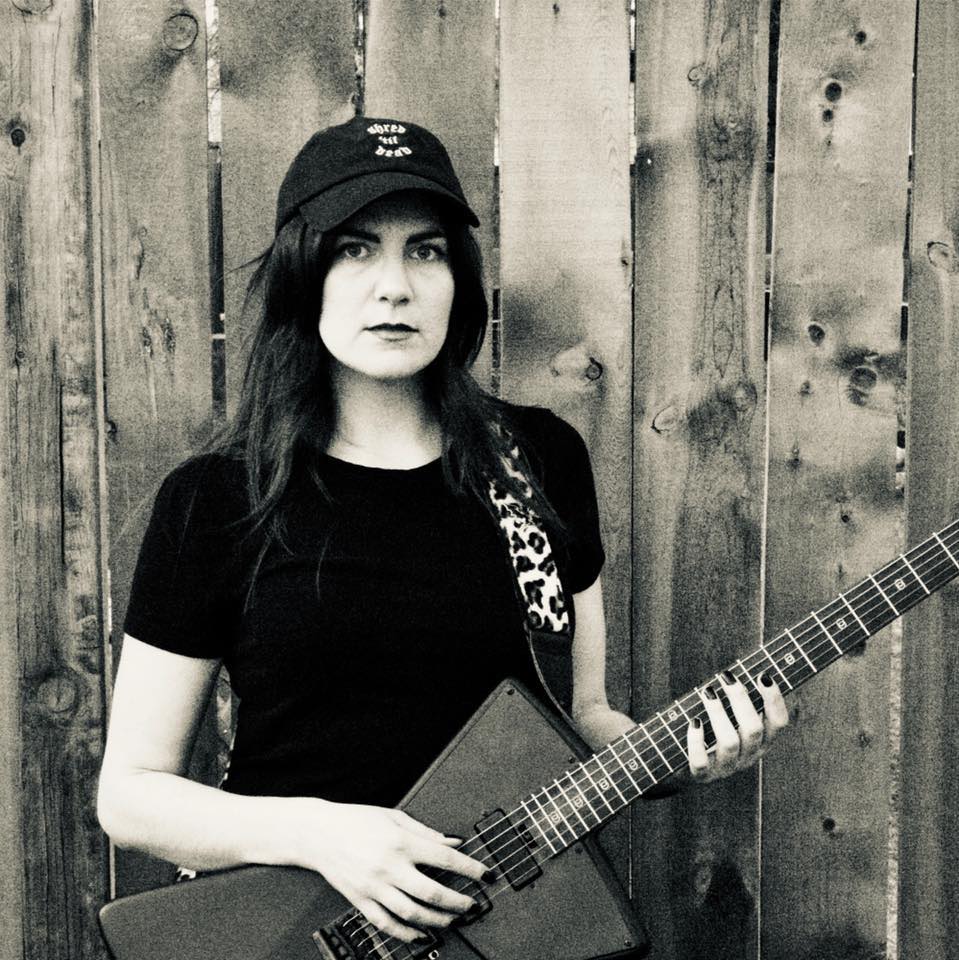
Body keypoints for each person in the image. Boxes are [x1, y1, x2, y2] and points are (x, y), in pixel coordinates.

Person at [97, 115, 789, 947]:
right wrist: (325, 835)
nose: (394, 286)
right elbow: (131, 796)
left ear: (459, 278)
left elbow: (581, 717)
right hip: (300, 935)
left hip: (510, 937)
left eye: (424, 251)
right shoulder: (218, 498)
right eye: (354, 250)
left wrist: (684, 754)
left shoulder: (537, 461)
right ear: (301, 274)